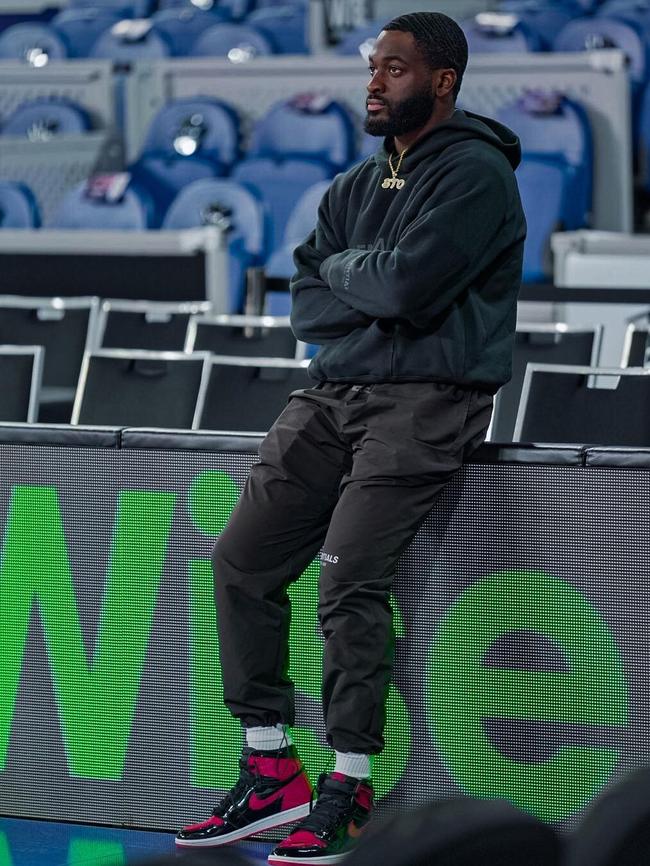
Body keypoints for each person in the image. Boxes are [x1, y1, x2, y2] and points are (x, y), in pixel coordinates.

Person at [176, 10, 526, 865]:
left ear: (442, 80)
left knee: (348, 582)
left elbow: (405, 287)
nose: (375, 83)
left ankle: (351, 784)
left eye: (396, 70)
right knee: (240, 563)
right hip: (333, 394)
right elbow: (304, 299)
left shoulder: (477, 175)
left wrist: (354, 278)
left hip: (426, 402)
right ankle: (270, 770)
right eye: (374, 68)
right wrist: (353, 280)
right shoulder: (356, 185)